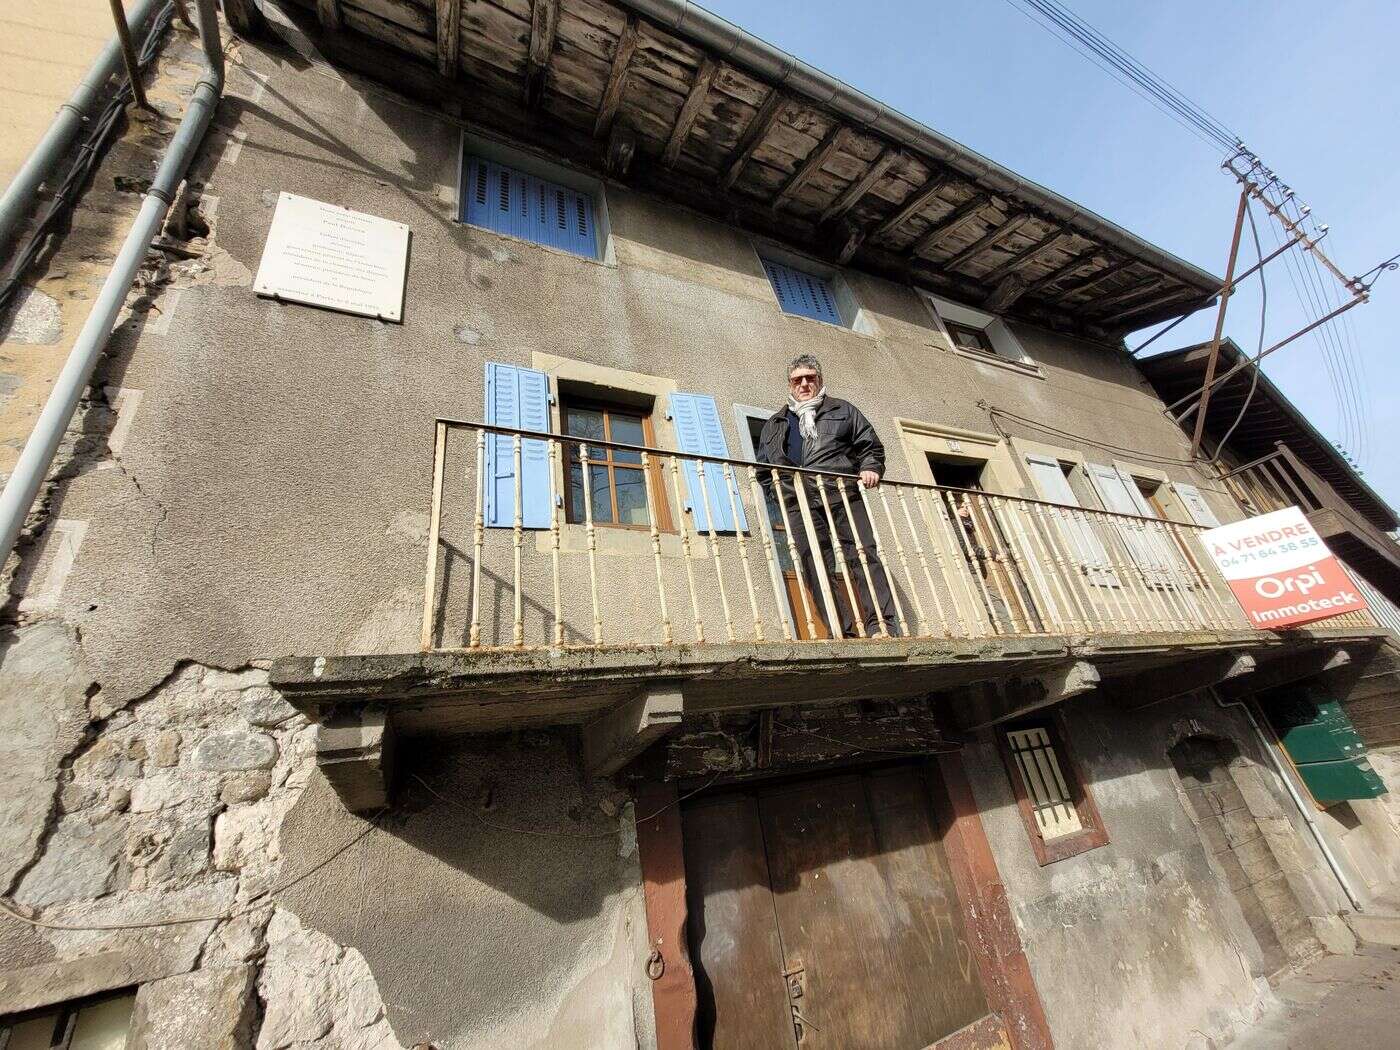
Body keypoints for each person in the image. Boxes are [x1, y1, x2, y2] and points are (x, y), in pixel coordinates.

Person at [758, 354, 898, 638]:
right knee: (813, 565)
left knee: (862, 555)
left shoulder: (842, 410)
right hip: (799, 503)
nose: (805, 384)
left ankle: (881, 626)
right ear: (790, 384)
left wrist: (870, 467)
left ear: (820, 380)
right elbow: (764, 469)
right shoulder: (776, 423)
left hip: (842, 493)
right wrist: (780, 497)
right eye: (798, 380)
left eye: (810, 378)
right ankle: (841, 631)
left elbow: (869, 445)